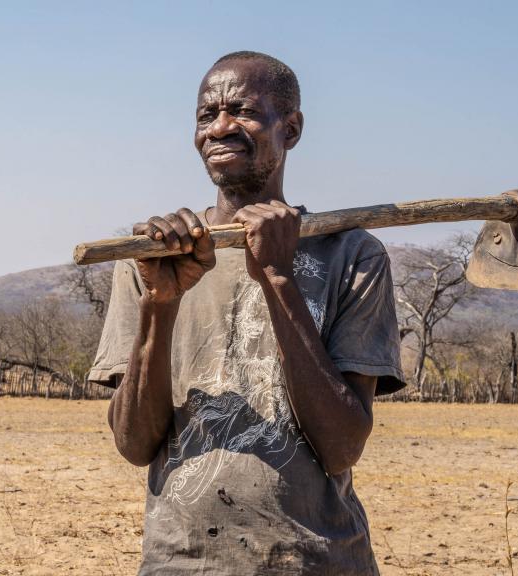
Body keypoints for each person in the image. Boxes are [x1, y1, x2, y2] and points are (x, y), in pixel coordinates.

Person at [87, 51, 405, 575]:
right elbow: (134, 443)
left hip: (315, 561)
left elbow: (342, 445)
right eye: (206, 115)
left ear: (292, 128)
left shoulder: (351, 255)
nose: (220, 127)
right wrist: (161, 304)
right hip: (181, 563)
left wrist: (279, 278)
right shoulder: (150, 260)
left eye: (243, 111)